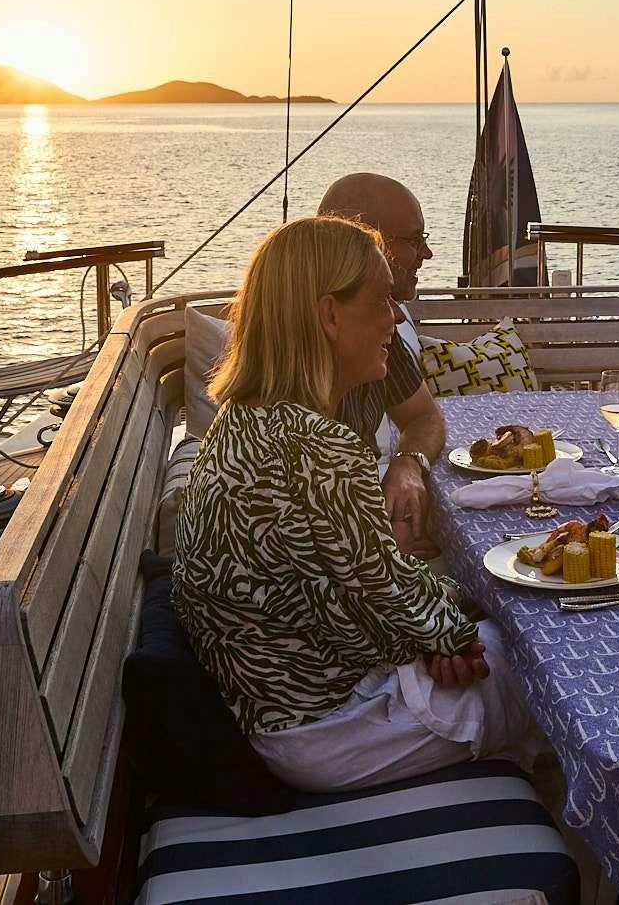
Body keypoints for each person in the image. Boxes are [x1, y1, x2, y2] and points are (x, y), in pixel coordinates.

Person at [173, 216, 534, 790]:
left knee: (497, 635)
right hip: (329, 729)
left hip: (281, 705)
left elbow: (378, 598)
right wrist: (448, 635)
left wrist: (437, 630)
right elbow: (400, 606)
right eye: (383, 301)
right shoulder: (320, 451)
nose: (395, 318)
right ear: (329, 315)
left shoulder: (244, 420)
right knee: (543, 664)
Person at [317, 172, 447, 556]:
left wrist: (407, 463)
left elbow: (425, 416)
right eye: (413, 240)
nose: (426, 254)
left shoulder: (372, 339)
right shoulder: (307, 443)